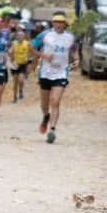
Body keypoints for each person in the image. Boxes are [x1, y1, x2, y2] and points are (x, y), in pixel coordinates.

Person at [29, 12, 80, 143]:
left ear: (64, 24)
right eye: (56, 22)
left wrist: (76, 59)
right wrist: (43, 55)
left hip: (61, 73)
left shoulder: (69, 37)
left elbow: (73, 49)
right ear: (52, 23)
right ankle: (46, 116)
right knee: (44, 103)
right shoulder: (45, 35)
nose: (58, 25)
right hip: (45, 73)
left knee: (55, 101)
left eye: (61, 22)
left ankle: (52, 130)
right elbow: (31, 47)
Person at [8, 25, 30, 102]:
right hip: (14, 65)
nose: (20, 37)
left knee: (21, 80)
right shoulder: (14, 43)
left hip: (22, 65)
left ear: (24, 37)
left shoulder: (27, 44)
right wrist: (10, 52)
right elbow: (10, 51)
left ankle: (20, 90)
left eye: (21, 35)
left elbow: (29, 53)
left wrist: (27, 58)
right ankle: (14, 97)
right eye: (18, 35)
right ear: (17, 36)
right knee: (15, 82)